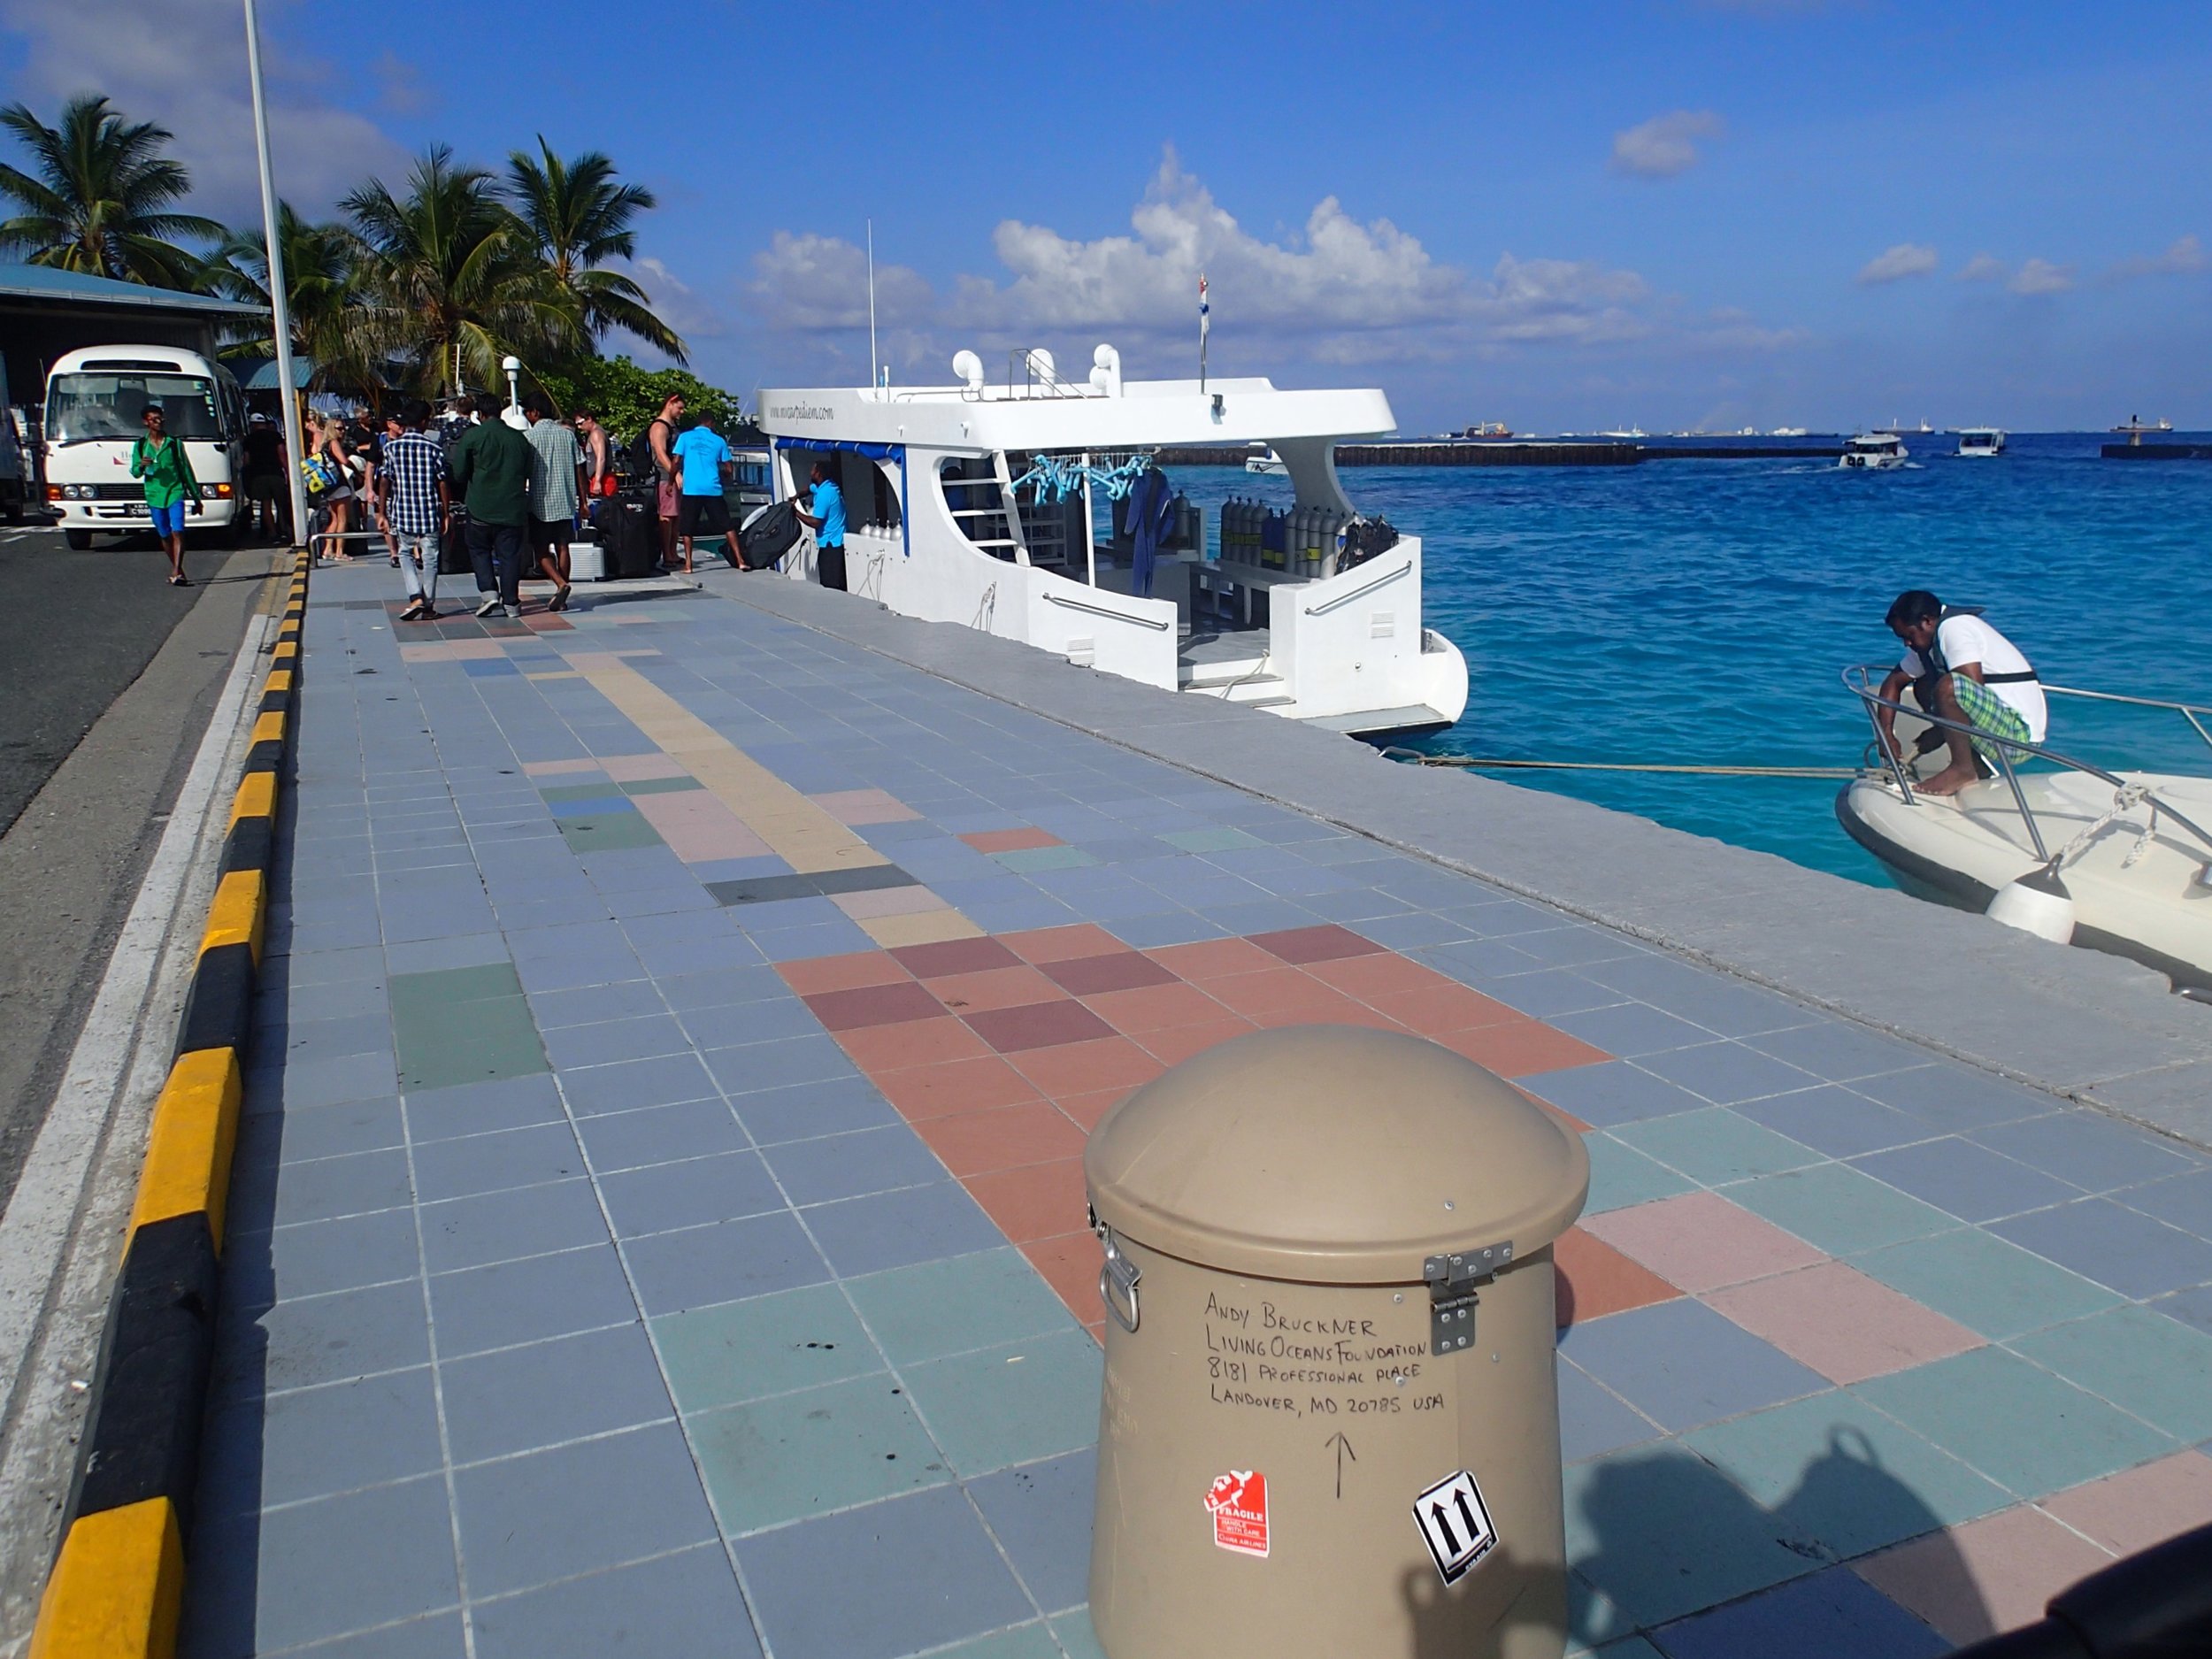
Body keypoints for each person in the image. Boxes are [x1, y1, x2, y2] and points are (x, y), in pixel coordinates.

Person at [1876, 589, 2047, 796]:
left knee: (1949, 686)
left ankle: (1962, 770)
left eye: (1908, 636)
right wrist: (1886, 734)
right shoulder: (1928, 644)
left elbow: (1967, 687)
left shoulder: (1953, 628)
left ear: (1927, 621)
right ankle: (1975, 766)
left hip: (2019, 737)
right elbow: (1893, 683)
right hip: (1996, 726)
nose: (1906, 643)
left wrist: (1939, 732)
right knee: (1924, 685)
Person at [447, 391, 534, 618]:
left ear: (480, 414)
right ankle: (512, 603)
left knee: (479, 550)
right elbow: (528, 471)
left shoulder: (472, 437)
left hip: (480, 507)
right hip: (512, 508)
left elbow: (459, 473)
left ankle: (489, 593)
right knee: (510, 556)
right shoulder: (519, 439)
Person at [375, 399, 450, 621]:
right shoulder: (433, 448)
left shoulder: (391, 448)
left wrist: (381, 512)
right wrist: (446, 513)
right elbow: (442, 482)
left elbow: (385, 481)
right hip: (428, 511)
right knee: (430, 557)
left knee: (405, 553)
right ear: (424, 422)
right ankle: (428, 605)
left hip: (402, 511)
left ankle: (415, 596)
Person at [522, 395, 586, 611]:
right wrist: (583, 501)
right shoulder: (567, 436)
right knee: (563, 547)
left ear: (535, 412)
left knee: (540, 549)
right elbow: (580, 468)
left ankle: (560, 583)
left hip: (539, 502)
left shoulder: (529, 438)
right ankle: (562, 598)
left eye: (527, 412)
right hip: (565, 500)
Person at [129, 401, 201, 587]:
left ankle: (176, 570)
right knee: (164, 534)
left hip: (175, 491)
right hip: (154, 494)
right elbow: (135, 472)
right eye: (153, 419)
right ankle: (178, 569)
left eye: (160, 418)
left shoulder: (174, 443)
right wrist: (141, 465)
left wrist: (196, 497)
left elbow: (185, 470)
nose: (158, 422)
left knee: (178, 530)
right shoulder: (140, 445)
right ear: (146, 422)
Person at [670, 417, 740, 574]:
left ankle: (688, 565)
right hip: (712, 488)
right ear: (711, 424)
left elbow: (676, 461)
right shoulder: (719, 440)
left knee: (687, 528)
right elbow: (729, 468)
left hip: (691, 489)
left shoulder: (685, 437)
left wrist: (670, 482)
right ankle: (740, 560)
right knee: (727, 525)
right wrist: (724, 476)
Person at [794, 458, 849, 590]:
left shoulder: (825, 494)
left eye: (813, 470)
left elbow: (816, 522)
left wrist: (795, 512)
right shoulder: (826, 486)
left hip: (831, 546)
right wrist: (798, 495)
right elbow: (810, 489)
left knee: (831, 585)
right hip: (834, 543)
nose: (810, 472)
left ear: (818, 473)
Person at [311, 415, 357, 562]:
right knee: (343, 519)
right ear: (332, 429)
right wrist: (355, 466)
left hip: (329, 486)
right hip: (339, 484)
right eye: (339, 428)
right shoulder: (334, 443)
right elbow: (344, 461)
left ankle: (328, 549)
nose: (343, 431)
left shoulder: (324, 445)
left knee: (335, 519)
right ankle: (339, 552)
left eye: (344, 429)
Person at [646, 391, 684, 571]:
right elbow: (661, 454)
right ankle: (667, 554)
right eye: (679, 408)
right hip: (663, 476)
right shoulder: (659, 427)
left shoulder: (672, 426)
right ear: (670, 403)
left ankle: (673, 552)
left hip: (674, 475)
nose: (682, 412)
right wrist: (674, 474)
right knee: (667, 515)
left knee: (676, 515)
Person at [241, 412, 282, 541]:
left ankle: (272, 532)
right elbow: (282, 455)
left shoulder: (249, 439)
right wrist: (287, 471)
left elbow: (247, 461)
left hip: (259, 476)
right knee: (281, 504)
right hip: (276, 474)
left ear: (253, 425)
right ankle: (285, 529)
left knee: (266, 505)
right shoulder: (275, 436)